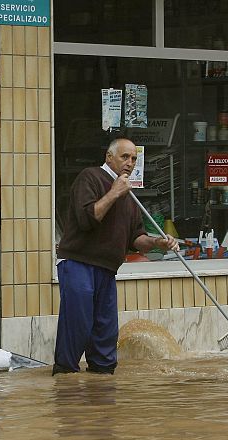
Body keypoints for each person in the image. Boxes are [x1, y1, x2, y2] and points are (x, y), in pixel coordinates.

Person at [53, 137, 179, 375]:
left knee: (105, 332)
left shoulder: (130, 198)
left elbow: (136, 239)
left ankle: (102, 384)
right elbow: (87, 218)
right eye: (124, 157)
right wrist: (114, 192)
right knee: (77, 326)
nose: (130, 163)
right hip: (79, 263)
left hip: (108, 269)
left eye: (134, 158)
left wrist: (157, 243)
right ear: (109, 157)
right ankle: (65, 382)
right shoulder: (90, 177)